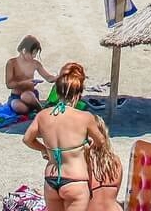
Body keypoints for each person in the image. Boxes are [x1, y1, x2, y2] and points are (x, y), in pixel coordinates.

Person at [23, 63, 109, 211]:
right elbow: (101, 141)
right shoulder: (85, 117)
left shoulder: (43, 115)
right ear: (78, 94)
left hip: (51, 178)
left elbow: (27, 139)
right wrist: (86, 148)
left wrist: (44, 148)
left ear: (58, 90)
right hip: (75, 179)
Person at [5, 34, 58, 116]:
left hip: (30, 95)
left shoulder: (35, 64)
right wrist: (25, 82)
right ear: (24, 50)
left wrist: (57, 77)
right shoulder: (12, 63)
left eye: (35, 54)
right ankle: (30, 109)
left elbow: (48, 78)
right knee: (17, 106)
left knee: (26, 96)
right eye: (32, 54)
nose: (34, 56)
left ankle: (40, 110)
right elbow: (9, 84)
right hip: (15, 96)